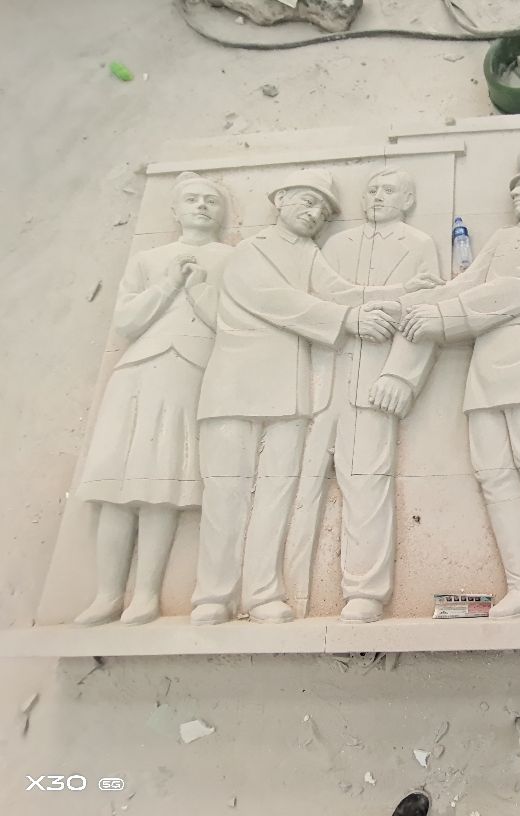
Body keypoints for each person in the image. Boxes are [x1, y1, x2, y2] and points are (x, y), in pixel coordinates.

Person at [190, 168, 400, 625]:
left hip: (289, 392)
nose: (315, 213)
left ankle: (262, 593)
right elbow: (273, 299)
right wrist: (347, 320)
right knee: (225, 491)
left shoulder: (308, 253)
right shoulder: (250, 251)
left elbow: (341, 292)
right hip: (235, 387)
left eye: (323, 210)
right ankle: (214, 594)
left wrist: (403, 293)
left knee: (276, 494)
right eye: (308, 201)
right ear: (280, 199)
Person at [399, 150, 520, 620]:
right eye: (514, 186)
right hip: (488, 360)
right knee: (495, 475)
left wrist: (444, 316)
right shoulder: (504, 238)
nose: (517, 192)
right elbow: (465, 285)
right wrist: (406, 304)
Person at [285, 166, 443, 623]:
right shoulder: (336, 244)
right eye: (371, 189)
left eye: (388, 189)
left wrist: (402, 375)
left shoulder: (420, 245)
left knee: (366, 484)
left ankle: (364, 591)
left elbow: (423, 310)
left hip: (374, 383)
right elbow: (319, 298)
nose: (376, 196)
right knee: (296, 484)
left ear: (407, 200)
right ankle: (288, 588)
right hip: (319, 377)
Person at [75, 172, 232, 626]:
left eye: (211, 201)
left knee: (161, 485)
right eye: (192, 199)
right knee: (116, 484)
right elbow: (126, 321)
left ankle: (145, 594)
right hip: (138, 371)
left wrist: (197, 289)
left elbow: (232, 320)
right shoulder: (149, 259)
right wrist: (166, 285)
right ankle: (107, 594)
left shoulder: (230, 259)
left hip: (189, 371)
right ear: (175, 209)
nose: (201, 206)